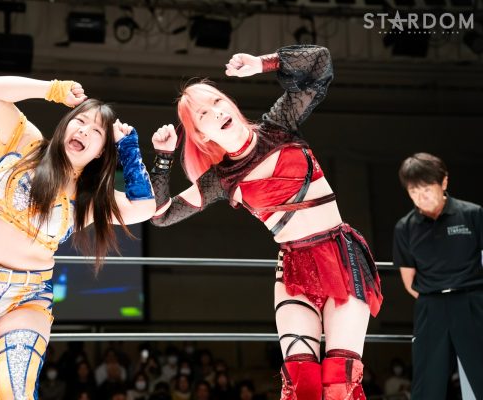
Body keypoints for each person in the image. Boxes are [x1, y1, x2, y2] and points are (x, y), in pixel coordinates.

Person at [149, 45, 382, 399]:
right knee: (303, 383)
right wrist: (163, 158)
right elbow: (162, 214)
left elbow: (321, 63)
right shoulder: (220, 179)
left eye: (217, 101)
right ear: (201, 134)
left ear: (231, 103)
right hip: (293, 269)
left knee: (339, 381)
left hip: (340, 258)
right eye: (203, 114)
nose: (216, 111)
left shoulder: (278, 125)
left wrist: (262, 63)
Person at [0, 76, 156, 400]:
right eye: (80, 121)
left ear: (99, 152)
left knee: (15, 391)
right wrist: (52, 90)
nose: (84, 131)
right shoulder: (26, 142)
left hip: (27, 296)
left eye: (96, 132)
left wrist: (128, 148)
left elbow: (144, 207)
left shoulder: (89, 198)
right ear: (66, 125)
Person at [393, 152, 483, 399]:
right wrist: (434, 298)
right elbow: (408, 280)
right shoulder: (405, 227)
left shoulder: (473, 214)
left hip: (472, 300)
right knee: (427, 382)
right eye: (413, 191)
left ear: (443, 182)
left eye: (426, 189)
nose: (421, 197)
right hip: (430, 306)